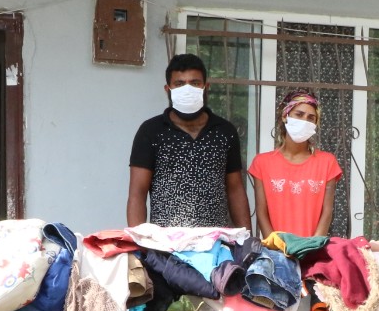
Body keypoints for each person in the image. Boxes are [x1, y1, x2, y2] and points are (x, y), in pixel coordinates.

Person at [126, 53, 252, 229]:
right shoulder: (151, 131)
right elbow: (137, 194)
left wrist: (246, 241)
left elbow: (236, 190)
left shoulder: (225, 131)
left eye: (195, 83)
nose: (187, 89)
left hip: (216, 243)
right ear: (167, 89)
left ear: (206, 87)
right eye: (179, 84)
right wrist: (138, 244)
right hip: (166, 245)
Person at [247, 90, 342, 238]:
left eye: (311, 118)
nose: (305, 120)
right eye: (299, 114)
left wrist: (312, 247)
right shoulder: (262, 163)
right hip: (276, 252)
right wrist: (277, 247)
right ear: (285, 116)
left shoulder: (327, 162)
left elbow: (327, 212)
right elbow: (261, 212)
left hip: (312, 251)